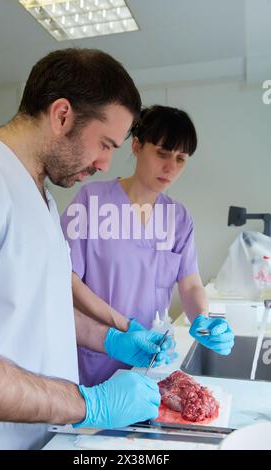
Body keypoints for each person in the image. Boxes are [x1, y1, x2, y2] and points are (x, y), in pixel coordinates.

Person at [0, 49, 172, 450]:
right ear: (62, 115)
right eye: (105, 144)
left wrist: (111, 339)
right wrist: (86, 403)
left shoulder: (41, 196)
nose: (105, 164)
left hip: (43, 439)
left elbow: (38, 310)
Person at [61, 105, 235, 387]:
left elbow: (190, 284)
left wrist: (204, 318)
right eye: (162, 154)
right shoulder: (91, 201)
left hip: (151, 359)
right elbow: (65, 279)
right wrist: (124, 327)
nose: (171, 168)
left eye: (181, 159)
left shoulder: (178, 218)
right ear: (137, 146)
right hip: (96, 355)